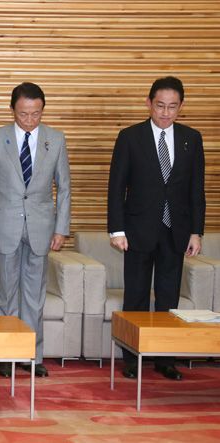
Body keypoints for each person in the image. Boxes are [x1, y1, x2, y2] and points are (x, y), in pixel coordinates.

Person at [108, 76, 205, 381]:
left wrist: (196, 231)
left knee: (168, 299)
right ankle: (132, 358)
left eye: (172, 107)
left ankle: (165, 359)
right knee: (136, 297)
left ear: (181, 107)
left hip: (176, 231)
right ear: (149, 103)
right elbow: (116, 187)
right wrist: (117, 230)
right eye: (160, 105)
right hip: (138, 231)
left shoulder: (191, 138)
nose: (165, 112)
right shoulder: (130, 137)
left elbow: (196, 189)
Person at [0, 82, 71, 378]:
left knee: (34, 295)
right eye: (23, 114)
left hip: (42, 228)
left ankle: (32, 354)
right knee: (7, 294)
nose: (29, 120)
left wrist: (61, 228)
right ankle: (5, 354)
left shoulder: (56, 139)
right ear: (12, 110)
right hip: (5, 226)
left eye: (36, 113)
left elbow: (64, 188)